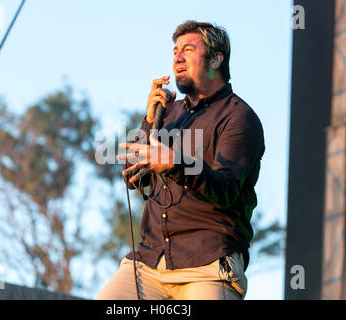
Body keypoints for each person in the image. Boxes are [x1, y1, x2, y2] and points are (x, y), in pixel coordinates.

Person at [96, 20, 265, 300]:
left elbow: (227, 189)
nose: (177, 57)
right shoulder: (168, 113)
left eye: (188, 49)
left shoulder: (239, 118)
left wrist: (175, 164)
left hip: (207, 265)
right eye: (175, 50)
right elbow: (133, 178)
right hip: (150, 263)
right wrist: (149, 120)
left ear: (215, 58)